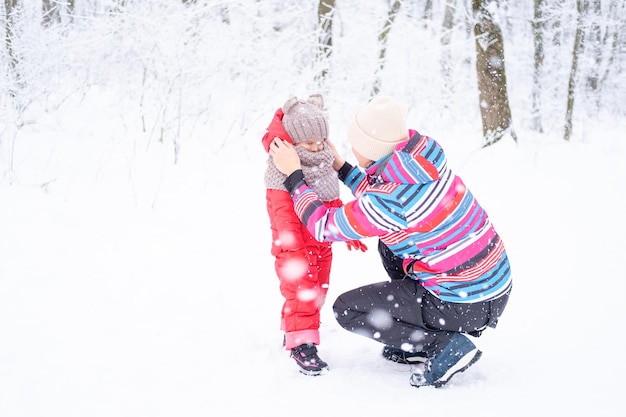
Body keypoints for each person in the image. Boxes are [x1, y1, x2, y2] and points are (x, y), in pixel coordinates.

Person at [268, 95, 512, 388]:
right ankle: (420, 330)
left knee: (348, 310)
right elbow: (386, 195)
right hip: (492, 288)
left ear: (370, 147)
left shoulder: (389, 201)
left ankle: (443, 346)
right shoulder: (422, 165)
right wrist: (343, 168)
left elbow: (323, 226)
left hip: (463, 303)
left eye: (355, 141)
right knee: (389, 244)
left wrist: (294, 174)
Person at [261, 94, 367, 376]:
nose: (317, 148)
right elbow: (283, 217)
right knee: (301, 294)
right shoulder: (280, 174)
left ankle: (295, 330)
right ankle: (302, 344)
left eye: (321, 142)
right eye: (309, 143)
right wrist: (294, 251)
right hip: (294, 249)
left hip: (321, 245)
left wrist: (348, 232)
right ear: (293, 144)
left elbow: (331, 204)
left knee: (317, 292)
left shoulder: (321, 167)